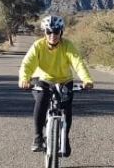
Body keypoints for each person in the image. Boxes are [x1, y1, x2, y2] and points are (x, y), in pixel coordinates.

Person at [19, 15, 94, 156]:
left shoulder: (68, 45)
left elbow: (78, 63)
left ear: (61, 32)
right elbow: (27, 64)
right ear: (44, 32)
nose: (53, 35)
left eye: (56, 32)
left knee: (66, 107)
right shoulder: (38, 46)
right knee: (42, 99)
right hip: (42, 79)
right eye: (49, 32)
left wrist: (86, 79)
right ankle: (38, 137)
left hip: (64, 80)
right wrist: (24, 79)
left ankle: (64, 138)